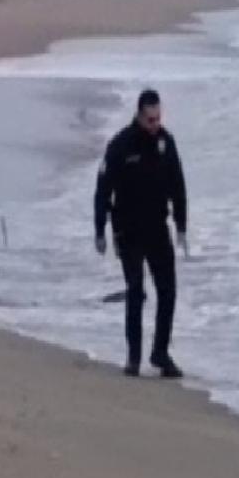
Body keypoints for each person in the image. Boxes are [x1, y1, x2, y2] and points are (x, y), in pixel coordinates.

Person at [94, 89, 188, 379]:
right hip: (128, 229)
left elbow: (178, 185)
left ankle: (160, 352)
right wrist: (100, 229)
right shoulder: (121, 145)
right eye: (150, 119)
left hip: (158, 228)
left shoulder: (166, 143)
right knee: (135, 290)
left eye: (158, 118)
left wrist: (182, 225)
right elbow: (103, 189)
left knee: (168, 290)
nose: (155, 124)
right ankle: (133, 356)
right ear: (139, 115)